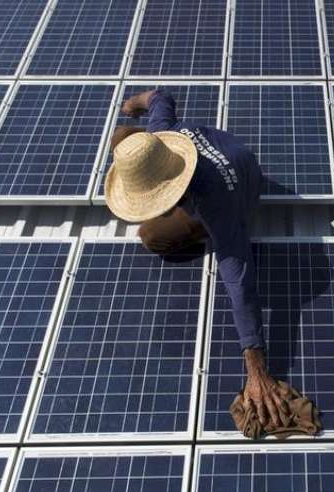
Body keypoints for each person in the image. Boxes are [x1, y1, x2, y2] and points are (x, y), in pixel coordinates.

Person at [105, 89, 288, 429]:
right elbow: (160, 97)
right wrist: (135, 104)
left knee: (151, 236)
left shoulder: (214, 203)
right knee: (122, 139)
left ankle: (199, 235)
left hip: (242, 192)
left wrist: (256, 367)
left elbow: (240, 282)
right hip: (234, 154)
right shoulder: (163, 136)